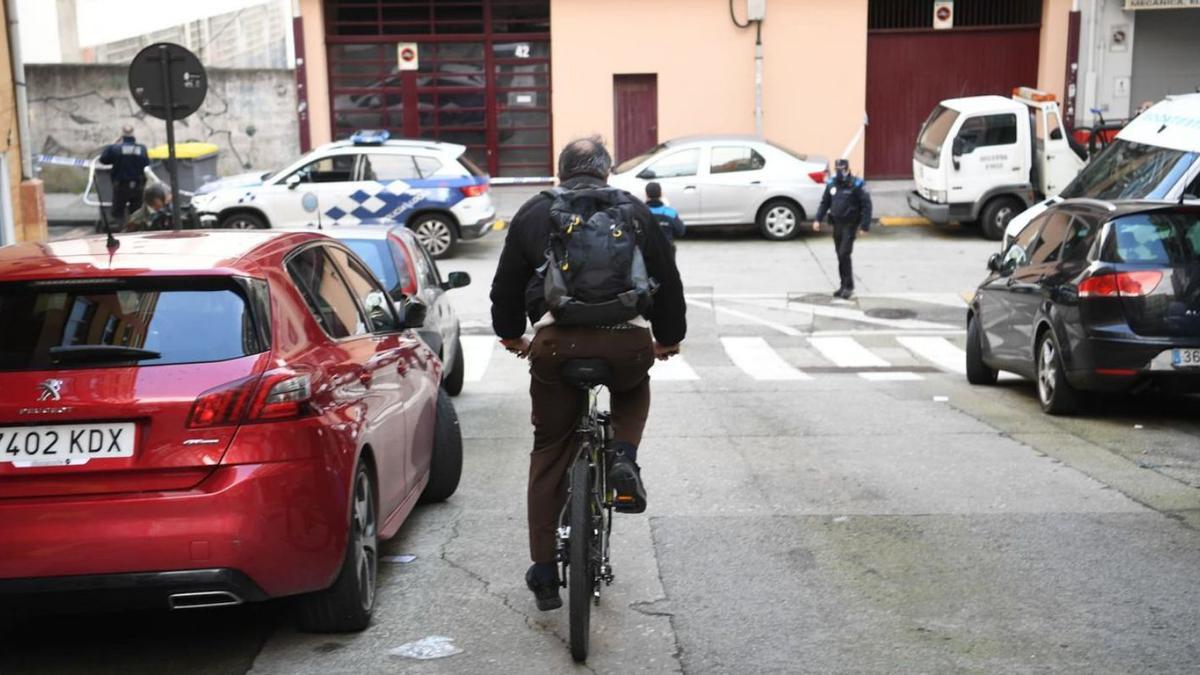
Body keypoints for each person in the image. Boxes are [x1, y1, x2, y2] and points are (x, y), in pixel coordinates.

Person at [490, 136, 686, 611]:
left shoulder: (534, 214)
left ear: (560, 172)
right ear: (607, 171)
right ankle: (623, 455)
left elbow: (506, 287)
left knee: (550, 452)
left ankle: (542, 570)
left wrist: (513, 335)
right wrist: (667, 338)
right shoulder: (635, 211)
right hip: (627, 343)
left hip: (559, 346)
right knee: (633, 386)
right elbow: (668, 279)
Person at [812, 158, 872, 299]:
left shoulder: (856, 184)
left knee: (844, 253)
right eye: (838, 170)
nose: (840, 173)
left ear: (847, 169)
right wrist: (817, 219)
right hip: (837, 224)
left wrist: (865, 225)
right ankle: (843, 285)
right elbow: (825, 202)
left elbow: (866, 205)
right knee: (840, 255)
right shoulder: (832, 184)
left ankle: (849, 287)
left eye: (842, 170)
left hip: (850, 224)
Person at [99, 125, 150, 224]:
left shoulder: (115, 149)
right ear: (133, 134)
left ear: (122, 134)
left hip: (121, 186)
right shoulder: (142, 149)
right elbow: (146, 164)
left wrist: (113, 144)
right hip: (138, 186)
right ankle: (135, 232)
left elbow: (103, 159)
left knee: (118, 213)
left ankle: (120, 232)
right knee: (136, 213)